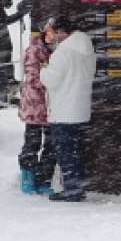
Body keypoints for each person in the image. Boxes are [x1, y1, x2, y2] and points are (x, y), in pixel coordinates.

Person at [39, 17, 96, 202]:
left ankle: (72, 190)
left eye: (51, 32)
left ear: (62, 32)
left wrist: (43, 69)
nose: (50, 36)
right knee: (77, 151)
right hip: (80, 109)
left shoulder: (63, 53)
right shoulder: (86, 49)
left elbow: (51, 80)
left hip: (64, 110)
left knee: (66, 153)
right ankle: (77, 187)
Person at [18, 30, 55, 196]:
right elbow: (33, 78)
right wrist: (52, 80)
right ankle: (28, 176)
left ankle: (44, 178)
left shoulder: (57, 50)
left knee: (51, 143)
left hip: (52, 104)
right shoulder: (33, 51)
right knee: (32, 142)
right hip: (34, 104)